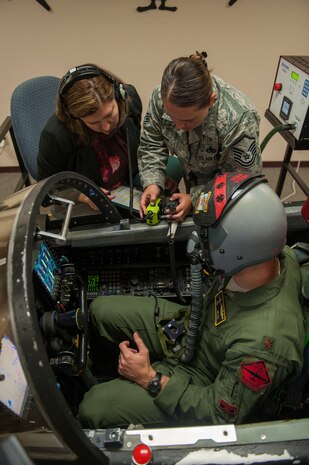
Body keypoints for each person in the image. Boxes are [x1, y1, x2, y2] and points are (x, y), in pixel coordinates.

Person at [78, 172, 305, 428]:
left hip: (203, 378)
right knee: (100, 310)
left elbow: (219, 413)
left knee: (93, 406)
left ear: (238, 250)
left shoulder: (263, 346)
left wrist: (149, 378)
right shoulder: (269, 253)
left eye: (208, 236)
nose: (199, 242)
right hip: (193, 331)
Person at [138, 51, 262, 222]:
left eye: (188, 120)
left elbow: (238, 182)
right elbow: (152, 143)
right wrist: (153, 182)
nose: (179, 126)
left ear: (211, 101)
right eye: (172, 118)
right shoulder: (162, 97)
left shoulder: (239, 120)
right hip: (193, 181)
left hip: (228, 203)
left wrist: (195, 199)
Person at [37, 64, 142, 210]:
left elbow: (138, 145)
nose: (106, 127)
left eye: (109, 115)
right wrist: (84, 196)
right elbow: (45, 186)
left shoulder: (129, 99)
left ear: (119, 95)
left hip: (128, 188)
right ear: (75, 118)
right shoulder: (56, 134)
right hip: (84, 200)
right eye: (94, 122)